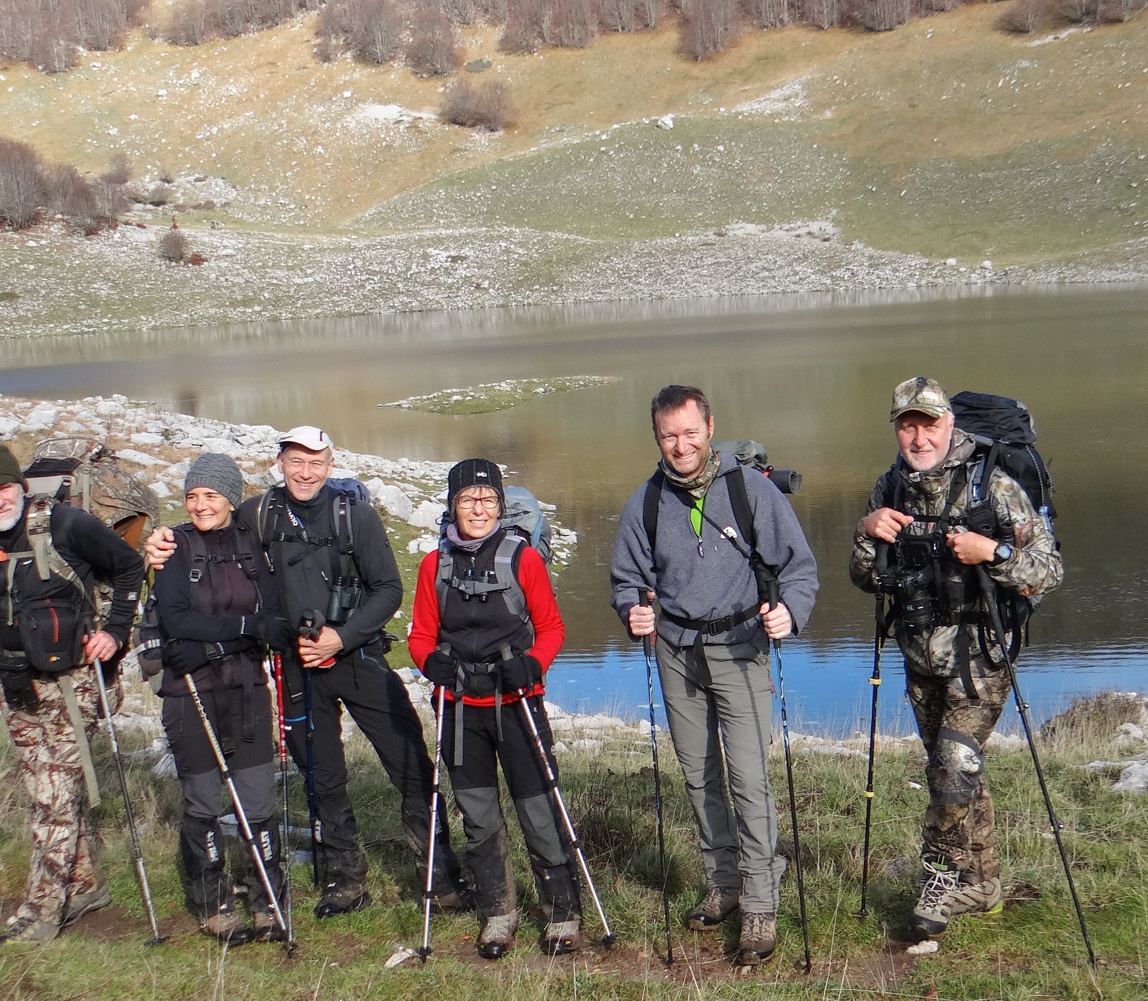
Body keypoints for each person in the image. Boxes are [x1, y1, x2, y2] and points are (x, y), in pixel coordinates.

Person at [144, 426, 468, 917]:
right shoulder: (259, 512)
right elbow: (209, 520)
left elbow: (388, 590)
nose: (305, 471)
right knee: (322, 776)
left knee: (408, 761)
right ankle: (345, 878)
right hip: (297, 667)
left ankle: (439, 873)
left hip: (358, 659)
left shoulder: (355, 515)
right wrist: (161, 541)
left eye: (315, 462)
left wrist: (342, 636)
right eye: (295, 461)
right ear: (280, 463)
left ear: (331, 464)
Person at [848, 376, 1064, 938]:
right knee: (960, 775)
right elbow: (865, 578)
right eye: (907, 425)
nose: (919, 437)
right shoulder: (889, 488)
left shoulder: (990, 485)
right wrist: (868, 534)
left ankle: (939, 882)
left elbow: (1049, 571)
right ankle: (983, 883)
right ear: (897, 428)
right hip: (919, 656)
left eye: (929, 424)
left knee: (952, 767)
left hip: (981, 655)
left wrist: (991, 551)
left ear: (950, 424)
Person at [610, 385, 818, 965]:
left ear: (709, 427)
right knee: (699, 776)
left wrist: (789, 612)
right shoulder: (644, 503)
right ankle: (723, 883)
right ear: (658, 437)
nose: (681, 445)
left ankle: (759, 902)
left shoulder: (751, 492)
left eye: (690, 433)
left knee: (749, 779)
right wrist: (633, 611)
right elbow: (627, 580)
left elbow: (798, 568)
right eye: (669, 435)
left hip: (741, 646)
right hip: (675, 652)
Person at [0, 440, 145, 947]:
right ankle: (85, 884)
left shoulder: (64, 524)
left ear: (19, 485)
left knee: (52, 796)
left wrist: (117, 631)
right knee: (47, 785)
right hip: (15, 681)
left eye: (3, 488)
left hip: (74, 681)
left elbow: (129, 566)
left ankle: (42, 910)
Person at [407, 459, 579, 958]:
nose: (478, 509)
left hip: (517, 701)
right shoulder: (432, 566)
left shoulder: (522, 560)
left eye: (488, 501)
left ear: (500, 507)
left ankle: (561, 912)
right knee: (479, 817)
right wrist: (428, 663)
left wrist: (533, 665)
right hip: (460, 709)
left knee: (538, 811)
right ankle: (498, 914)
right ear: (452, 506)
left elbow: (551, 629)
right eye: (468, 500)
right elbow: (420, 635)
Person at [151, 453, 295, 943]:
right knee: (203, 800)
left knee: (256, 799)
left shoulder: (253, 547)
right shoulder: (174, 547)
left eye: (211, 495)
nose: (200, 505)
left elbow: (272, 619)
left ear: (232, 499)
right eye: (192, 496)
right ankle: (213, 904)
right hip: (188, 692)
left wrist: (219, 638)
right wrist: (242, 629)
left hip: (248, 690)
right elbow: (176, 621)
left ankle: (268, 901)